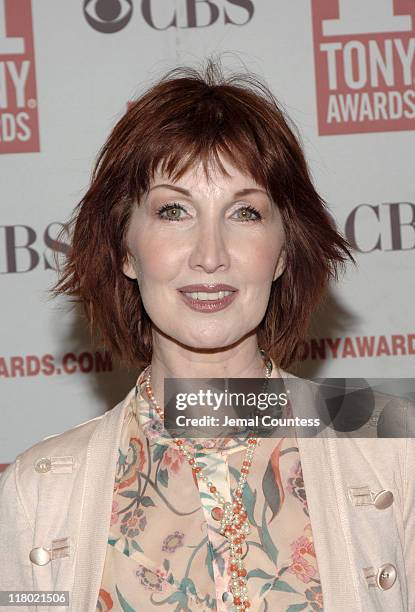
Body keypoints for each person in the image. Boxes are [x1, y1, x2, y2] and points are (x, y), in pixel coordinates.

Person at [0, 59, 414, 612]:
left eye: (245, 213)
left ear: (284, 251)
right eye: (175, 211)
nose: (210, 256)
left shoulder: (391, 442)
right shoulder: (38, 491)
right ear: (125, 247)